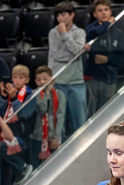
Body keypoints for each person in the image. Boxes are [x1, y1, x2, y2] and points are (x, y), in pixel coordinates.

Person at [48, 0, 89, 138]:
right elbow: (56, 55)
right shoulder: (53, 33)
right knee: (59, 124)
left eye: (64, 14)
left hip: (77, 83)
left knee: (80, 122)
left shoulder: (80, 32)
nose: (60, 18)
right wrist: (74, 52)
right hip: (59, 81)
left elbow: (77, 52)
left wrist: (65, 35)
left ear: (72, 15)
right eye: (58, 15)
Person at [84, 0, 124, 116]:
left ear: (110, 12)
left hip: (110, 79)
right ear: (95, 14)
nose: (103, 13)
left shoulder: (118, 33)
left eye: (106, 10)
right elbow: (93, 33)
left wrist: (108, 59)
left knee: (107, 114)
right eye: (100, 10)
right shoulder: (90, 29)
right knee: (91, 113)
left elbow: (122, 57)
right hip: (93, 78)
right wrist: (107, 24)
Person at [30, 65, 66, 168]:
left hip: (54, 135)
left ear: (52, 80)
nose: (42, 82)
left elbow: (60, 116)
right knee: (36, 167)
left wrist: (55, 137)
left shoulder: (60, 95)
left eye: (45, 79)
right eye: (39, 80)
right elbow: (43, 109)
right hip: (37, 137)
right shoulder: (34, 94)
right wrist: (46, 93)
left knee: (55, 166)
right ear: (35, 82)